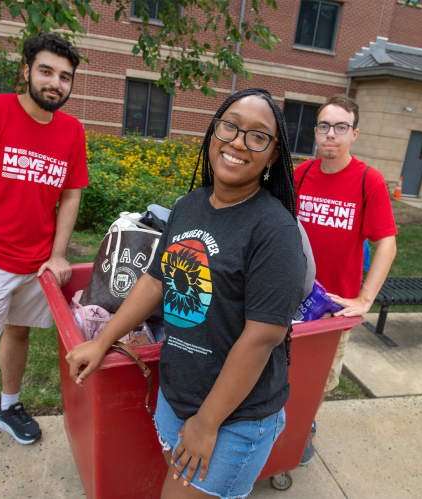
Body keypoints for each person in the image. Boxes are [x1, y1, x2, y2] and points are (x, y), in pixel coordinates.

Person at [66, 88, 306, 499]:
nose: (237, 142)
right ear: (213, 132)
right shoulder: (189, 205)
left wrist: (207, 422)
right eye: (229, 126)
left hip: (233, 417)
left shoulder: (275, 231)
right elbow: (155, 281)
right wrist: (103, 340)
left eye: (257, 136)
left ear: (273, 154)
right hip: (176, 398)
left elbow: (263, 336)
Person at [0, 33, 89, 486]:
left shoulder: (71, 131)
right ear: (25, 69)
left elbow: (70, 195)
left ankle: (8, 407)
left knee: (20, 332)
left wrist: (59, 253)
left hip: (37, 264)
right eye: (46, 71)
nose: (55, 83)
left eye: (65, 77)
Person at [294, 94, 397, 465]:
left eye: (340, 127)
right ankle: (280, 429)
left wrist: (365, 299)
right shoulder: (301, 175)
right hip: (291, 298)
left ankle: (305, 426)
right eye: (324, 126)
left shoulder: (369, 180)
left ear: (354, 133)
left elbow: (386, 244)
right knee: (280, 368)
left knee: (317, 379)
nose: (330, 135)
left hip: (333, 308)